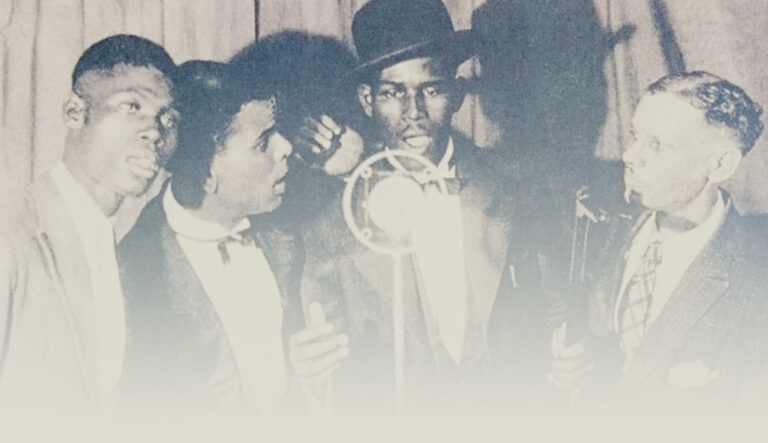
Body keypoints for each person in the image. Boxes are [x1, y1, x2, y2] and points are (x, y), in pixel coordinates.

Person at [298, 0, 541, 415]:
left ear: (456, 94)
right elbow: (327, 377)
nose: (414, 113)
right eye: (393, 93)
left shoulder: (516, 194)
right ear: (367, 100)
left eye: (431, 89)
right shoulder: (331, 221)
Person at [117, 61, 351, 417]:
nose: (285, 147)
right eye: (262, 143)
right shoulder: (133, 275)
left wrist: (315, 383)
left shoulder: (292, 227)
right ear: (206, 174)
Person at [549, 71, 768, 412]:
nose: (629, 155)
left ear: (720, 165)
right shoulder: (600, 220)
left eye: (657, 145)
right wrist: (566, 349)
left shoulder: (755, 278)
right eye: (635, 136)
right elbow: (561, 308)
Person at [0, 34, 177, 413]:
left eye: (167, 118)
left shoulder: (123, 247)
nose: (155, 131)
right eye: (132, 106)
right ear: (75, 113)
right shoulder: (11, 233)